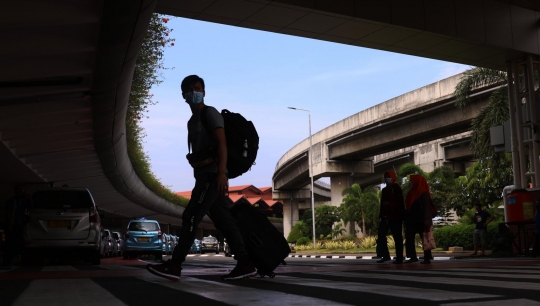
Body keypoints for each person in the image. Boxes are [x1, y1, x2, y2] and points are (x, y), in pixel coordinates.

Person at [146, 75, 256, 281]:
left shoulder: (210, 113)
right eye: (189, 90)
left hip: (213, 176)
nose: (193, 92)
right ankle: (246, 262)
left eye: (197, 88)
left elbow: (221, 142)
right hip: (205, 177)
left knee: (191, 217)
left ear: (204, 92)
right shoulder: (192, 121)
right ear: (183, 96)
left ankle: (175, 264)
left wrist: (222, 173)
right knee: (224, 221)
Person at [404, 174, 434, 264]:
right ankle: (412, 256)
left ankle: (427, 257)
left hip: (422, 219)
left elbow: (426, 206)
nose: (410, 182)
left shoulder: (423, 192)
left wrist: (426, 218)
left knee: (424, 238)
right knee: (409, 237)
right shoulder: (411, 192)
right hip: (411, 219)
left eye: (412, 180)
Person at [376, 171, 405, 264]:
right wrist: (381, 215)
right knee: (381, 235)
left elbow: (400, 202)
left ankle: (399, 257)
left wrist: (390, 204)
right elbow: (382, 204)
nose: (387, 178)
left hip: (396, 216)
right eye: (386, 177)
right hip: (385, 216)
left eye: (389, 177)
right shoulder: (384, 190)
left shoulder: (396, 188)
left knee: (397, 237)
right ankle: (385, 255)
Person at [2, 185, 29, 267]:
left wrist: (28, 196)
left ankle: (19, 260)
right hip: (12, 224)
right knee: (9, 243)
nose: (19, 192)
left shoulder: (24, 201)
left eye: (21, 190)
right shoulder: (11, 201)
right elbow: (8, 214)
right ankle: (6, 261)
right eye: (18, 190)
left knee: (19, 243)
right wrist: (10, 224)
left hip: (19, 225)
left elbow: (31, 206)